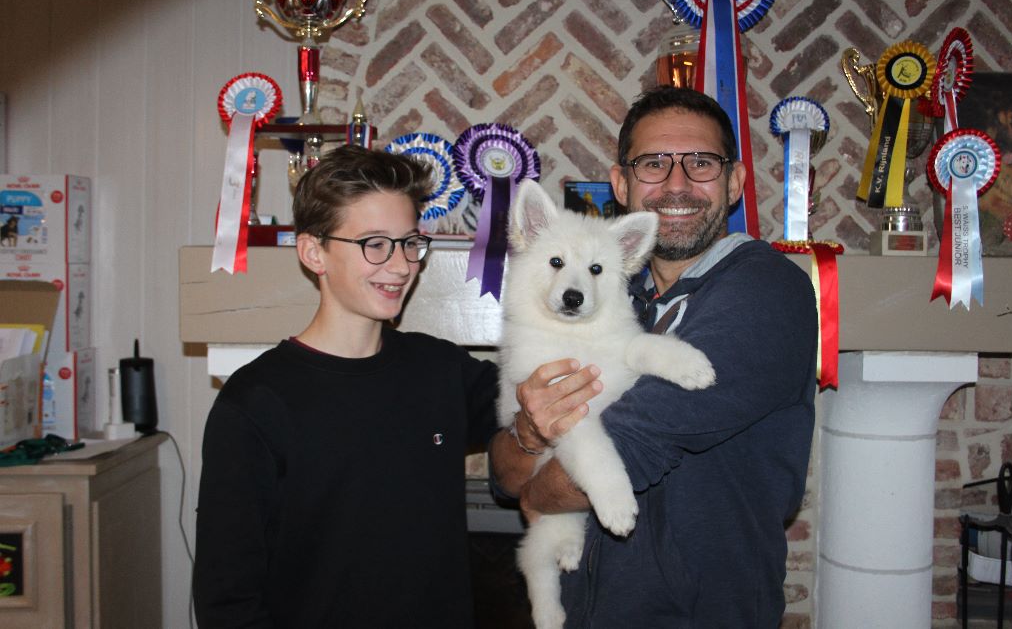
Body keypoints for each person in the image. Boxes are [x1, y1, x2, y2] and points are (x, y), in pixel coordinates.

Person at [491, 86, 818, 628]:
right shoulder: (626, 302)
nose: (677, 183)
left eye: (701, 163)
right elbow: (503, 475)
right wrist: (528, 434)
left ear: (735, 181)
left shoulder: (764, 291)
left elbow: (634, 444)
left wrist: (539, 496)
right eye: (653, 163)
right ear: (621, 185)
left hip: (697, 614)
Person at [194, 145, 505, 627]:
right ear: (313, 252)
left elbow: (535, 401)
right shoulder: (255, 403)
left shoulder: (442, 369)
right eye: (375, 244)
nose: (401, 266)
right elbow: (227, 599)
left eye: (409, 243)